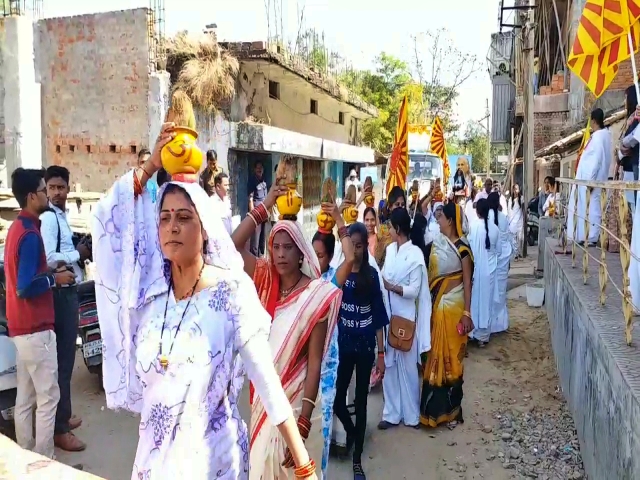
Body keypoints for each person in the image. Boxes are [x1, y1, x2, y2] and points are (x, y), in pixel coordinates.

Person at [92, 123, 318, 480]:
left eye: (184, 218)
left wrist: (303, 462)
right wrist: (151, 166)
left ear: (205, 228)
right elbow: (109, 220)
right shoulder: (150, 298)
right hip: (154, 464)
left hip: (214, 464)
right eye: (164, 219)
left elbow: (268, 382)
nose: (172, 227)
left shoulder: (230, 293)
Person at [231, 184, 343, 479]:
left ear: (300, 251)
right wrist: (265, 206)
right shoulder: (265, 279)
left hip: (297, 405)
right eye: (275, 247)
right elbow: (232, 247)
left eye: (288, 247)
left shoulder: (315, 295)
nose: (281, 254)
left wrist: (304, 421)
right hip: (265, 401)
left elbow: (315, 361)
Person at [5, 168, 75, 459]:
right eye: (45, 190)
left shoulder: (16, 228)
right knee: (48, 399)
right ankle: (46, 464)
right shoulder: (31, 234)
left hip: (20, 329)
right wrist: (53, 279)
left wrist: (45, 271)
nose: (49, 194)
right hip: (36, 328)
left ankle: (26, 461)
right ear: (32, 196)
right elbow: (24, 287)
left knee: (25, 399)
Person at [333, 222, 388, 480]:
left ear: (365, 247)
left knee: (362, 401)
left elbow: (378, 318)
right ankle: (354, 433)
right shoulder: (340, 276)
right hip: (344, 346)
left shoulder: (371, 276)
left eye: (359, 245)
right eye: (351, 245)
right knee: (338, 400)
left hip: (365, 346)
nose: (355, 250)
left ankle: (357, 460)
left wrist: (380, 354)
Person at [39, 166, 89, 452]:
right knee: (63, 362)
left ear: (69, 188)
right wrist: (76, 254)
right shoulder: (48, 218)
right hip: (60, 293)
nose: (57, 192)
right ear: (46, 190)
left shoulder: (61, 217)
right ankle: (59, 429)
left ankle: (64, 416)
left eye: (61, 187)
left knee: (67, 360)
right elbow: (48, 258)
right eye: (52, 188)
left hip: (68, 289)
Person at [420, 202, 474, 428]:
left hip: (454, 311)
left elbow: (468, 283)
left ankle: (452, 411)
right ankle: (432, 412)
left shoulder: (463, 249)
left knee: (453, 359)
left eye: (440, 218)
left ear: (450, 221)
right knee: (434, 355)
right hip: (436, 309)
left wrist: (467, 313)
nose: (438, 221)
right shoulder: (437, 245)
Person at [378, 208, 432, 430]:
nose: (388, 230)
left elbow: (415, 290)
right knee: (389, 367)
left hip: (407, 317)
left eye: (390, 227)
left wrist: (394, 288)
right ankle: (391, 413)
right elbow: (382, 276)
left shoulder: (416, 255)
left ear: (398, 229)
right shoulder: (390, 251)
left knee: (409, 368)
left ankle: (411, 415)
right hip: (389, 315)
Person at [312, 203, 355, 480]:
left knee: (322, 429)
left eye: (320, 255)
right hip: (303, 364)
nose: (315, 261)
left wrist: (340, 219)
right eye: (311, 254)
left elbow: (350, 257)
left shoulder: (331, 280)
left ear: (329, 256)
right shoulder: (305, 279)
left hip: (327, 363)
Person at [566, 108, 612, 246]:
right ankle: (584, 234)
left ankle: (592, 237)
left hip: (592, 180)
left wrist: (591, 180)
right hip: (589, 180)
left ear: (593, 120)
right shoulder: (602, 135)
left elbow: (597, 159)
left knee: (593, 208)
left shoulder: (599, 137)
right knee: (586, 207)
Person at [468, 199, 501, 347]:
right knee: (486, 303)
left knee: (474, 301)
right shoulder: (495, 228)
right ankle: (483, 337)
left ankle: (471, 333)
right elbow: (498, 251)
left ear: (477, 211)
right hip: (490, 272)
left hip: (475, 272)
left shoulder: (473, 226)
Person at [488, 192, 512, 334]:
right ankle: (500, 324)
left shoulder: (487, 217)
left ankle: (490, 324)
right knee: (501, 292)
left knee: (491, 292)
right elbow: (508, 239)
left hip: (491, 259)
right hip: (503, 258)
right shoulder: (503, 217)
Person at [374, 186, 407, 268]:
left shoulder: (410, 227)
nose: (400, 207)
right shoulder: (383, 229)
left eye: (402, 205)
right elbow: (378, 258)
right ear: (390, 207)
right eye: (397, 204)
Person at [619, 86, 639, 213]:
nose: (624, 102)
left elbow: (631, 139)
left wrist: (623, 145)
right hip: (630, 168)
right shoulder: (631, 118)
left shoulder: (635, 118)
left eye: (626, 98)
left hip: (634, 167)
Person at [247, 160, 269, 257]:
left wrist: (268, 211)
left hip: (264, 211)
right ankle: (254, 257)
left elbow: (266, 197)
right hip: (257, 211)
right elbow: (250, 199)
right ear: (255, 169)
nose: (260, 170)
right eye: (258, 168)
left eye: (261, 168)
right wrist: (253, 214)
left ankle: (261, 256)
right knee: (256, 235)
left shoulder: (264, 181)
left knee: (263, 236)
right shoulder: (252, 181)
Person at [507, 184, 524, 257]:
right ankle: (515, 253)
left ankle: (519, 252)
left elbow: (523, 209)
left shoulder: (522, 198)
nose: (515, 191)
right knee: (513, 238)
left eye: (517, 189)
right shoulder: (510, 200)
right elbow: (509, 211)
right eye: (514, 189)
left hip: (520, 221)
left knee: (520, 238)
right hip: (512, 221)